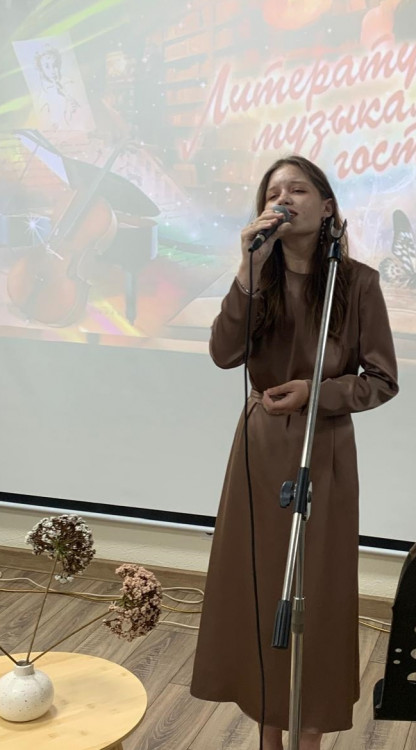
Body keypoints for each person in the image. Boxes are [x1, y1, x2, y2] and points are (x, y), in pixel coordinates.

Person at [190, 154, 399, 750]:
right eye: (273, 192)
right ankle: (267, 730)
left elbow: (382, 380)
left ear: (327, 206)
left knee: (318, 592)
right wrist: (246, 272)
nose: (283, 199)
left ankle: (310, 731)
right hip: (259, 449)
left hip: (322, 447)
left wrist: (317, 392)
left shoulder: (358, 283)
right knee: (259, 587)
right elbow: (224, 354)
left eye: (298, 190)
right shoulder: (258, 277)